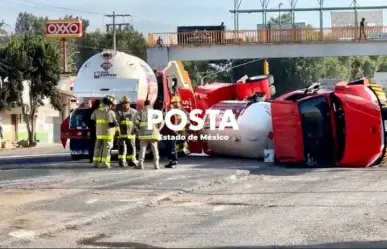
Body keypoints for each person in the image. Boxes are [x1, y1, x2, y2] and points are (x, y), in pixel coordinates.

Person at [90, 95, 118, 168]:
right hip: (108, 133)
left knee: (98, 148)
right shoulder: (110, 112)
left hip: (99, 133)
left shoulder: (96, 110)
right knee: (107, 148)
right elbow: (111, 124)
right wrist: (116, 123)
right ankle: (104, 163)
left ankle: (95, 163)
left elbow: (92, 121)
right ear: (110, 103)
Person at [136, 100, 164, 170]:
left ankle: (140, 164)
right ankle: (156, 165)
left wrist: (138, 128)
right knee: (155, 149)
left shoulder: (140, 112)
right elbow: (162, 121)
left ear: (144, 105)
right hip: (153, 133)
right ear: (151, 105)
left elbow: (135, 121)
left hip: (144, 134)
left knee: (142, 149)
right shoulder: (155, 112)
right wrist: (158, 129)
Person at [116, 96, 138, 167]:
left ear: (129, 103)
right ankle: (121, 161)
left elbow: (138, 122)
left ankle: (131, 161)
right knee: (121, 148)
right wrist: (117, 132)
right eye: (123, 103)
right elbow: (116, 123)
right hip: (121, 134)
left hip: (131, 133)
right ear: (121, 104)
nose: (125, 105)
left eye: (126, 103)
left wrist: (136, 129)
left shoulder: (134, 112)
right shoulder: (119, 113)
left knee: (131, 148)